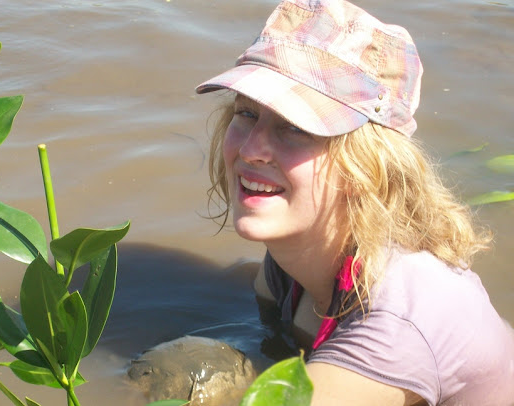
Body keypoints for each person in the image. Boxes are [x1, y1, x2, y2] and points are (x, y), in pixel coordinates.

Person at [195, 0, 514, 405]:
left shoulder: (396, 325)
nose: (251, 149)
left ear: (367, 165)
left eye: (295, 127)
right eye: (246, 113)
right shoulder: (294, 250)